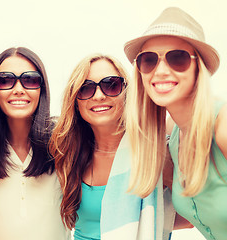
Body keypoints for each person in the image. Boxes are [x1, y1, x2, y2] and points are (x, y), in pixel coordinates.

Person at [124, 7, 227, 240]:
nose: (160, 71)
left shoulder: (222, 125)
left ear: (199, 67)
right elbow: (190, 215)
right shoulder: (172, 137)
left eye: (177, 58)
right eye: (148, 60)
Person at [49, 54, 167, 240]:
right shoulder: (66, 152)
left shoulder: (152, 150)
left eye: (111, 85)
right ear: (75, 101)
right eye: (85, 88)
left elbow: (184, 215)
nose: (99, 96)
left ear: (126, 91)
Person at [0, 47, 70, 240]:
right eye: (5, 80)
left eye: (30, 80)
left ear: (42, 88)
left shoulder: (63, 142)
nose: (18, 90)